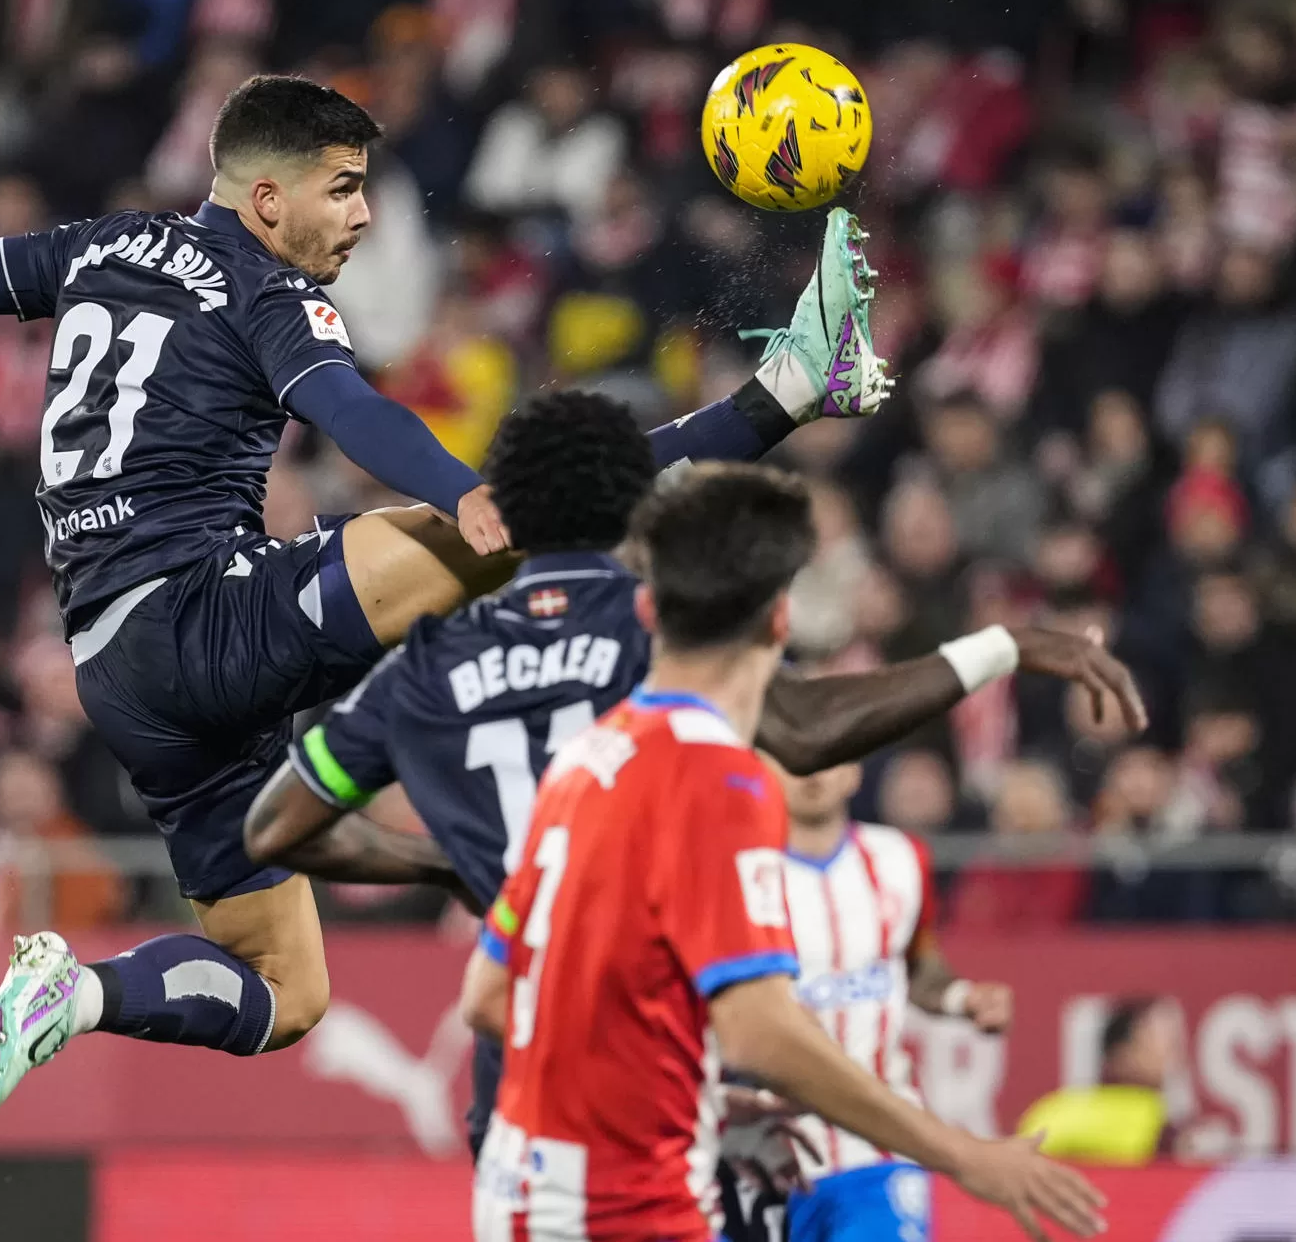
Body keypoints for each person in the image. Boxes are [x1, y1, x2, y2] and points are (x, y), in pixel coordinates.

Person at [0, 74, 889, 1116]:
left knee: (287, 991)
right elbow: (344, 402)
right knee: (511, 523)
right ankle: (785, 391)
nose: (366, 217)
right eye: (345, 189)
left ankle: (85, 994)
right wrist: (462, 490)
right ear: (265, 197)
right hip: (200, 612)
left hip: (117, 674)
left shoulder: (96, 246)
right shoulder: (262, 285)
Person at [242, 394, 1144, 1171]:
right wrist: (1004, 645)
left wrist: (448, 866)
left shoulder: (427, 664)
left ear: (506, 510)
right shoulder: (652, 631)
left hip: (514, 1062)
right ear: (637, 508)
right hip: (650, 1045)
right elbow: (806, 726)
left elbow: (277, 828)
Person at [461, 463, 1106, 1242]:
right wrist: (965, 1154)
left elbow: (492, 996)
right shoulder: (720, 779)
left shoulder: (586, 756)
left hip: (520, 1194)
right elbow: (761, 1031)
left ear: (645, 608)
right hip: (626, 1209)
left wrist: (703, 1098)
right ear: (778, 622)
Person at [734, 758, 1018, 1242]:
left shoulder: (901, 859)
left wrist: (960, 997)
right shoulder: (735, 871)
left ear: (856, 772)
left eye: (832, 751)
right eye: (795, 754)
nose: (812, 769)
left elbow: (916, 962)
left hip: (877, 1151)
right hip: (757, 1154)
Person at [1017, 997, 1175, 1165]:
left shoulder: (1052, 1110)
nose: (1168, 1053)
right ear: (1120, 1052)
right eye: (1156, 1039)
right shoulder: (1055, 1112)